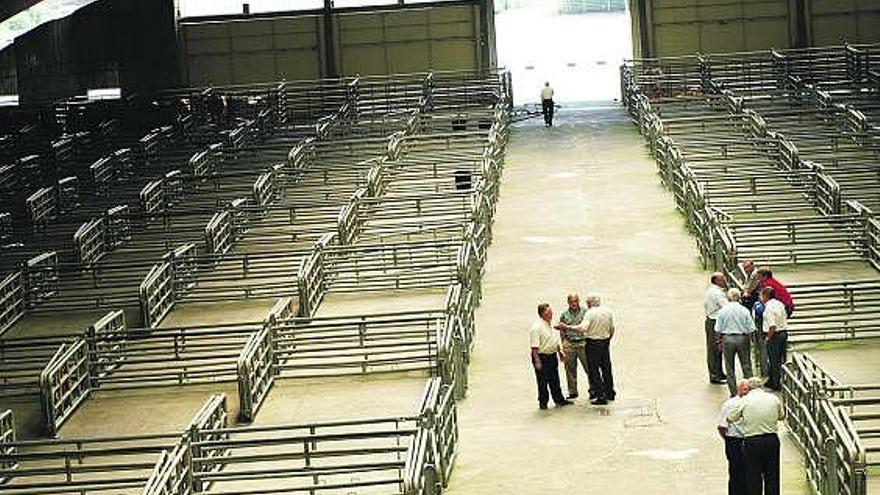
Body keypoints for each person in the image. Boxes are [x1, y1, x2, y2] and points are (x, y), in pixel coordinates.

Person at [557, 293, 615, 405]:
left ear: (589, 303)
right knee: (606, 368)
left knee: (593, 370)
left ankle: (599, 395)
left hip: (592, 343)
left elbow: (582, 328)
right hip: (604, 342)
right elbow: (612, 328)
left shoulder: (589, 313)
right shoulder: (608, 311)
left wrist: (567, 327)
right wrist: (607, 340)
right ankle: (610, 392)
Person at [728, 377, 783, 495]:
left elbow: (731, 417)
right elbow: (781, 416)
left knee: (753, 476)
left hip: (752, 441)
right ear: (761, 386)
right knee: (772, 474)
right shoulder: (773, 398)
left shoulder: (745, 400)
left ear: (750, 388)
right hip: (771, 439)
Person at [529, 303, 572, 409]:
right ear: (542, 314)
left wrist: (560, 351)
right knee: (542, 381)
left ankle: (559, 399)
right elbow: (534, 347)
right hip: (541, 356)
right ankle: (543, 402)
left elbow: (555, 339)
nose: (551, 314)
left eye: (551, 312)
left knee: (554, 379)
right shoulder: (536, 327)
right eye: (548, 312)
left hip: (552, 355)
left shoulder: (550, 324)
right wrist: (537, 361)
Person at [715, 288, 756, 397]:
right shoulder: (744, 310)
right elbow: (751, 328)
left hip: (727, 338)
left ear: (728, 298)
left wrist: (718, 341)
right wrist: (751, 341)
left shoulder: (723, 311)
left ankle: (734, 393)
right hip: (742, 338)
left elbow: (718, 329)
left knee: (729, 367)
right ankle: (750, 391)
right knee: (746, 365)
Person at [718, 379, 750, 495]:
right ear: (739, 389)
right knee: (736, 471)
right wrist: (728, 439)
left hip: (741, 439)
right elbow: (722, 426)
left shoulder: (732, 404)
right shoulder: (729, 404)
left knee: (741, 471)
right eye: (745, 389)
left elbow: (721, 427)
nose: (746, 392)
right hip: (734, 439)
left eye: (748, 389)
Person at [557, 294, 590, 400]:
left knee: (589, 367)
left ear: (579, 301)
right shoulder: (564, 315)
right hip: (570, 344)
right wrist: (563, 345)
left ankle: (593, 389)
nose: (574, 303)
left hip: (582, 343)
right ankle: (573, 391)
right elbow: (562, 330)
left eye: (575, 301)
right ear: (568, 302)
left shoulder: (586, 313)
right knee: (570, 369)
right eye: (571, 302)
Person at [760, 287, 788, 392]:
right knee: (780, 358)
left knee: (774, 360)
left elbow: (772, 326)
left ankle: (776, 383)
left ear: (766, 296)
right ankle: (774, 380)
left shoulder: (768, 308)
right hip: (783, 333)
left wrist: (768, 338)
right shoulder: (779, 304)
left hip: (774, 335)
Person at [704, 272, 729, 384]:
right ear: (717, 281)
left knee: (718, 349)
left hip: (715, 320)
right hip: (714, 321)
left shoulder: (715, 291)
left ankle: (719, 372)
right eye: (722, 279)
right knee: (714, 349)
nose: (725, 281)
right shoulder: (716, 293)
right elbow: (726, 306)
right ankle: (715, 375)